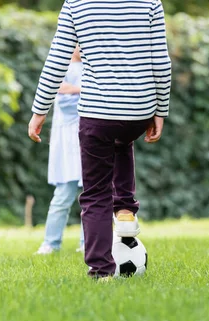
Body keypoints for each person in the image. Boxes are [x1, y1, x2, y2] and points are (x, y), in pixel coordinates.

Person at [28, 0, 172, 279]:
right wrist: (160, 110)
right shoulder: (150, 2)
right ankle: (127, 208)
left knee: (95, 194)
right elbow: (161, 62)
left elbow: (57, 59)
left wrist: (39, 110)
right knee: (122, 140)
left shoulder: (76, 3)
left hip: (97, 112)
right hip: (138, 109)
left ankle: (101, 270)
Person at [35, 46, 85, 255]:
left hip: (89, 139)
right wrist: (82, 90)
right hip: (66, 143)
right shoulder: (62, 67)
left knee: (93, 196)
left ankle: (88, 243)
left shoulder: (92, 67)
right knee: (62, 196)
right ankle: (51, 242)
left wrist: (75, 89)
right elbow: (64, 100)